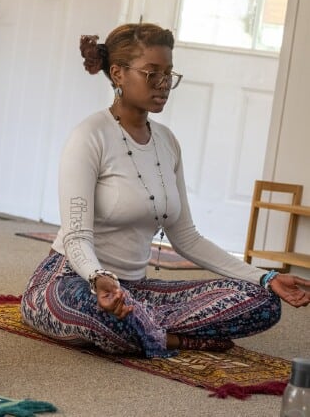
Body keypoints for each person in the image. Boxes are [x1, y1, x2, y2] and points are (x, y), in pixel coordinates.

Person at [21, 22, 310, 358]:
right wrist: (99, 277)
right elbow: (76, 237)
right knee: (106, 315)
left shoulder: (168, 143)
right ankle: (176, 338)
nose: (163, 84)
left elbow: (187, 237)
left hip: (137, 291)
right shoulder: (89, 136)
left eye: (169, 74)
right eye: (152, 73)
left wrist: (265, 277)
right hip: (73, 282)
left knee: (263, 303)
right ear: (118, 74)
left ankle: (145, 327)